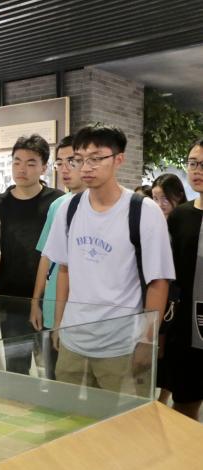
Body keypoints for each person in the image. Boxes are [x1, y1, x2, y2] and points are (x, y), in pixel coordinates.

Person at [43, 125, 174, 397]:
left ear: (118, 159)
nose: (85, 167)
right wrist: (58, 325)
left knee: (126, 421)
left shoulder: (143, 211)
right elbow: (64, 270)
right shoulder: (69, 208)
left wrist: (146, 341)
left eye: (96, 158)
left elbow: (158, 282)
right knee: (69, 416)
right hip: (74, 341)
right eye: (79, 159)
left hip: (122, 346)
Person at [0, 134, 64, 373]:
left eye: (31, 163)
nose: (22, 169)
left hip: (50, 298)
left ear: (44, 167)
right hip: (12, 298)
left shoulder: (58, 202)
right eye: (17, 162)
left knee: (53, 368)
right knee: (16, 369)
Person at [30, 136, 83, 379]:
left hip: (86, 313)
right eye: (60, 163)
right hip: (54, 307)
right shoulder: (58, 205)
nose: (64, 169)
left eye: (71, 161)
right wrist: (36, 301)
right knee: (54, 378)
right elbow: (46, 256)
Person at [159, 139, 203, 420]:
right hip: (187, 328)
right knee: (185, 405)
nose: (197, 170)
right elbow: (168, 276)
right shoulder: (180, 216)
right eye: (193, 163)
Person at [150, 173, 187, 402]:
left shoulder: (183, 223)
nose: (159, 204)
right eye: (155, 198)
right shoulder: (152, 225)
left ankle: (164, 399)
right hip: (157, 298)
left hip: (178, 301)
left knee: (168, 356)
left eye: (165, 198)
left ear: (178, 196)